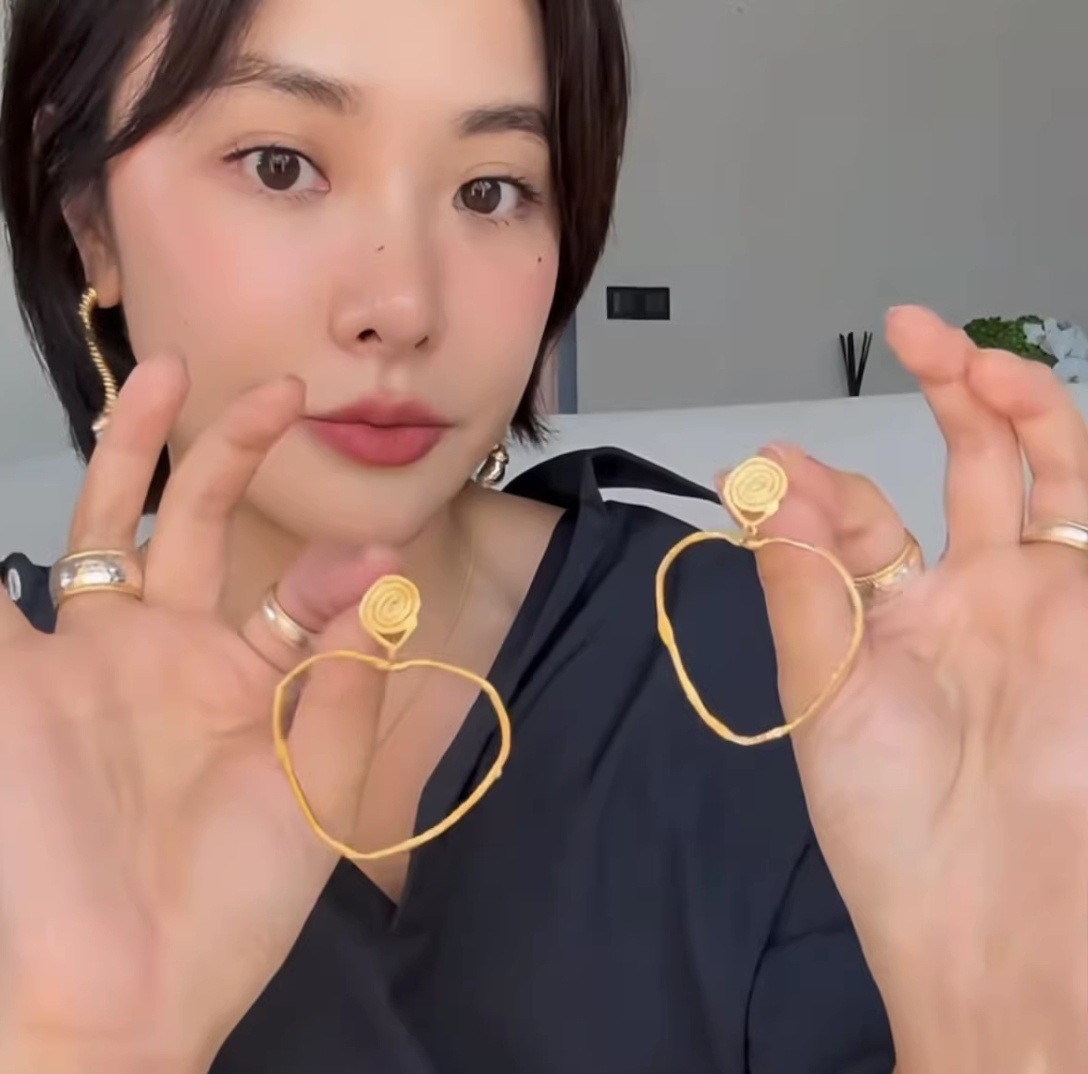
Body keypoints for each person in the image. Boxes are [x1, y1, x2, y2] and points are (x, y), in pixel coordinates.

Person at [0, 1, 1085, 1072]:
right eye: (280, 166)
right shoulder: (28, 742)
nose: (404, 305)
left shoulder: (771, 669)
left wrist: (1003, 1035)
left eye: (491, 190)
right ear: (86, 213)